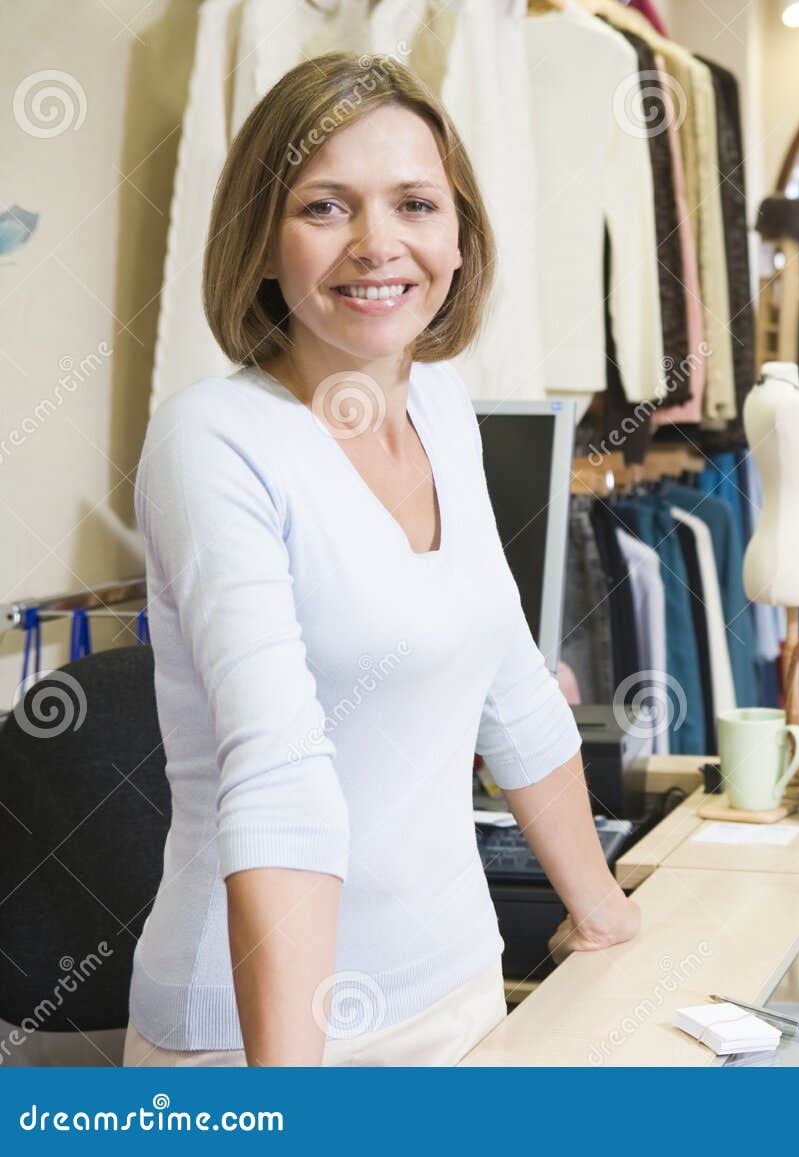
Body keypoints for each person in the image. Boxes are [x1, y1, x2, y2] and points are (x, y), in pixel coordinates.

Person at [124, 51, 639, 1067]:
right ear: (261, 243)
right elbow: (277, 775)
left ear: (458, 234)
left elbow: (513, 686)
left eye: (415, 203)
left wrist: (604, 915)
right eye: (325, 207)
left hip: (458, 990)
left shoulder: (441, 404)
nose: (378, 245)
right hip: (260, 1034)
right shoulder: (212, 440)